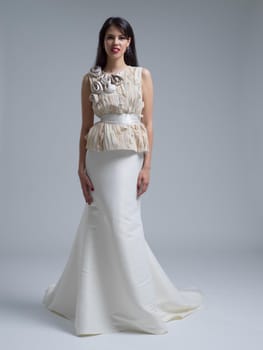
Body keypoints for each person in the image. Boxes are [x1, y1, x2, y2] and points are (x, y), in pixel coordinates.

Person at [42, 16, 204, 336]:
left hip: (129, 156)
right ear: (102, 43)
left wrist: (147, 166)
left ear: (129, 43)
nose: (115, 42)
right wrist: (79, 167)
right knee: (99, 221)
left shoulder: (142, 75)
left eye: (121, 37)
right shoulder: (91, 79)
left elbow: (150, 124)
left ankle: (137, 303)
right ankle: (95, 304)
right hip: (98, 156)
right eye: (109, 37)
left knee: (125, 223)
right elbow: (85, 128)